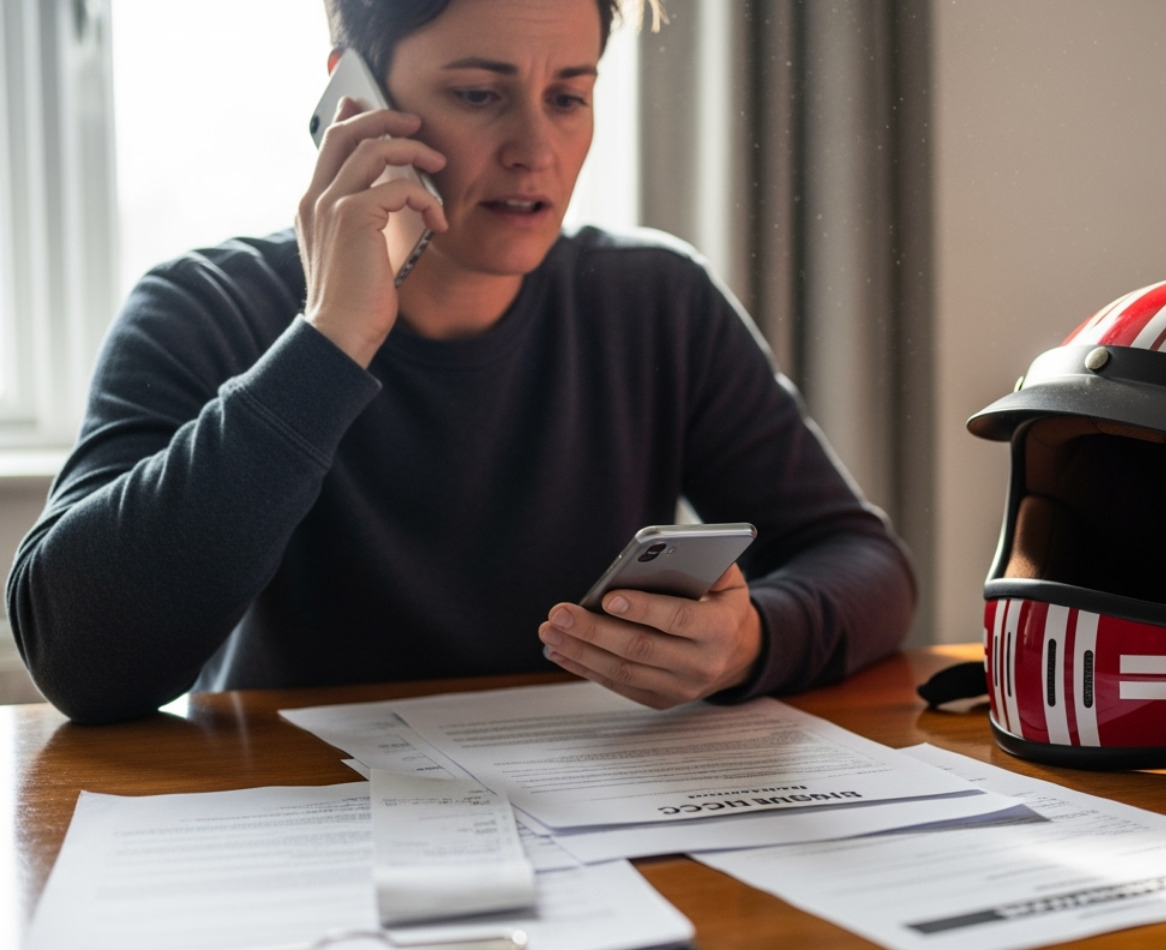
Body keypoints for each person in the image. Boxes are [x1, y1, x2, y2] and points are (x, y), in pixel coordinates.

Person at [5, 0, 916, 725]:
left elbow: (865, 561)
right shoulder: (203, 307)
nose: (538, 150)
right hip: (300, 836)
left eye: (569, 95)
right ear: (354, 106)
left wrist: (751, 641)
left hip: (591, 827)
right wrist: (330, 340)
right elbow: (81, 662)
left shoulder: (654, 302)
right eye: (480, 94)